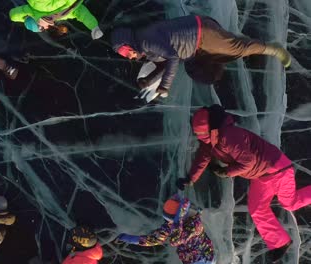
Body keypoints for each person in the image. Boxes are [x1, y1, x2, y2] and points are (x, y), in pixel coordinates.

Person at [178, 104, 311, 263]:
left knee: (290, 203)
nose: (200, 136)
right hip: (262, 174)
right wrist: (191, 178)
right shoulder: (211, 140)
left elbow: (248, 162)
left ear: (210, 128)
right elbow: (203, 156)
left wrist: (226, 172)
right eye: (198, 133)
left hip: (277, 170)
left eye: (202, 133)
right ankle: (280, 243)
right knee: (256, 209)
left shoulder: (228, 136)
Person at [110, 15, 291, 102]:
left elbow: (172, 57)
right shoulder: (145, 47)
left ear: (128, 43)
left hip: (202, 34)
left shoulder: (145, 40)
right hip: (196, 47)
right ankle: (235, 43)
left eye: (126, 52)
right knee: (205, 70)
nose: (129, 57)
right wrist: (148, 80)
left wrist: (165, 87)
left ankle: (273, 49)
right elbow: (164, 63)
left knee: (238, 49)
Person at [116, 194, 215, 264]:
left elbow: (175, 240)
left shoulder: (195, 225)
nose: (168, 223)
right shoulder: (174, 225)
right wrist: (126, 238)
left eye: (170, 220)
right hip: (204, 255)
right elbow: (151, 240)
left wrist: (177, 220)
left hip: (200, 260)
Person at [9, 0, 103, 39]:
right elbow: (80, 12)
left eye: (41, 28)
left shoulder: (39, 4)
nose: (46, 28)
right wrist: (93, 26)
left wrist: (24, 17)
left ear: (37, 21)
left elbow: (14, 14)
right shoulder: (62, 15)